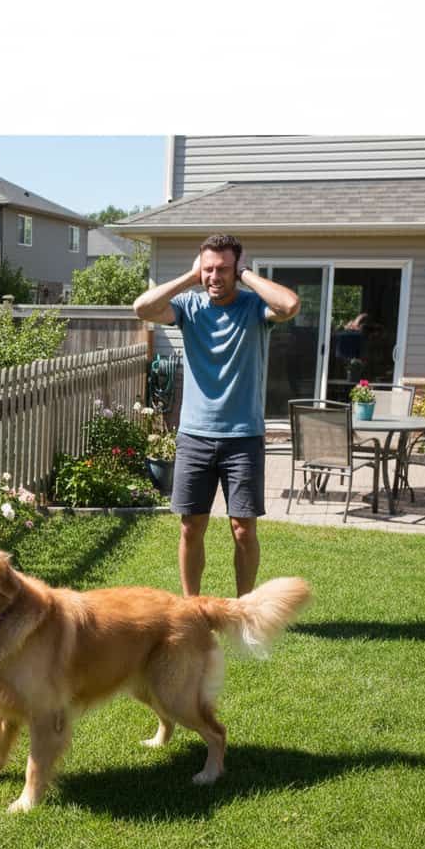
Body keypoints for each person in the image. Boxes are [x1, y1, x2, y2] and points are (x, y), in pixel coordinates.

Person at [133, 234, 300, 597]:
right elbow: (142, 308)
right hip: (194, 435)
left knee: (243, 529)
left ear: (236, 269)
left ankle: (244, 609)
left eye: (223, 269)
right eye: (208, 269)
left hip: (243, 437)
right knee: (191, 526)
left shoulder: (255, 308)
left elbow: (289, 304)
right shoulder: (189, 308)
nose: (214, 276)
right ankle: (192, 607)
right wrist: (188, 278)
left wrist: (248, 276)